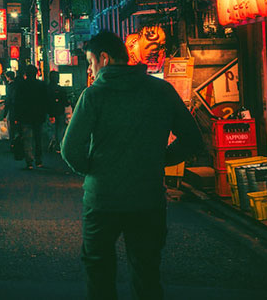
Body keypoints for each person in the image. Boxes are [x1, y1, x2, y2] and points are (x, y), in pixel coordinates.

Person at [61, 30, 203, 300]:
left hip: (103, 199)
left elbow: (70, 149)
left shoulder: (94, 95)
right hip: (147, 198)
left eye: (91, 63)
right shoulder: (161, 90)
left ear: (103, 58)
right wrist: (160, 160)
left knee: (99, 268)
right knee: (146, 271)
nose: (91, 70)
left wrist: (92, 170)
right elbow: (192, 139)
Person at [13, 64, 50, 169]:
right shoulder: (41, 85)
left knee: (27, 138)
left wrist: (16, 117)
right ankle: (39, 160)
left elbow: (17, 101)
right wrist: (47, 113)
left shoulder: (21, 85)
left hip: (25, 116)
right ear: (36, 73)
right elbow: (46, 101)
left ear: (26, 74)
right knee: (38, 138)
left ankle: (29, 161)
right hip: (38, 116)